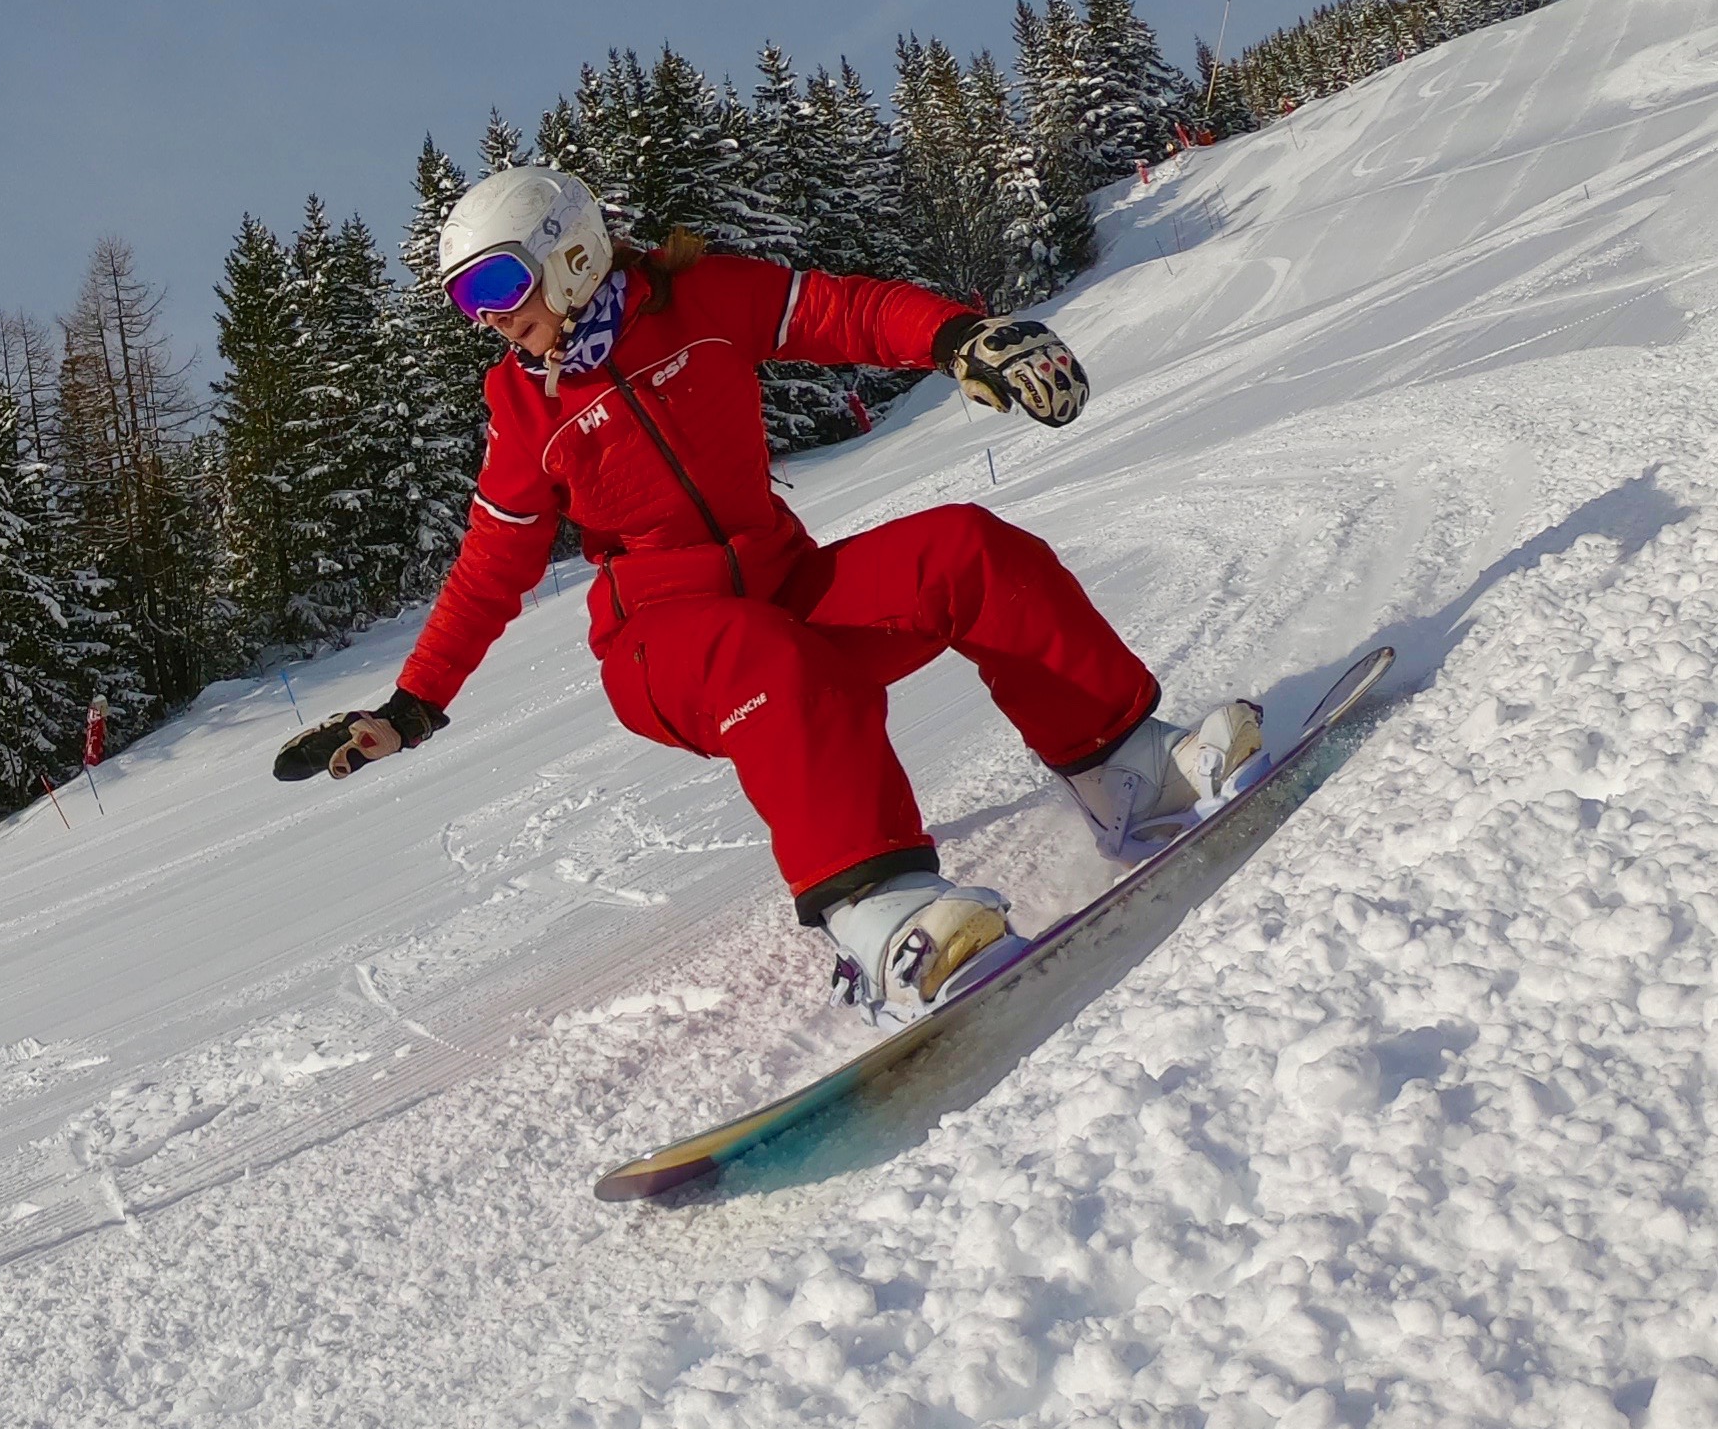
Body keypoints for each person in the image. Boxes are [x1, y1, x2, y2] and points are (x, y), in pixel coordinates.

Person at [277, 165, 1257, 1013]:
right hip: (662, 646)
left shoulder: (698, 299)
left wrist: (956, 338)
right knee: (766, 657)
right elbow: (489, 567)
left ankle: (1124, 769)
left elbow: (845, 311)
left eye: (495, 281)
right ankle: (882, 916)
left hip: (785, 584)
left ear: (567, 248)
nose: (489, 317)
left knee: (966, 550)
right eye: (464, 301)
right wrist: (411, 707)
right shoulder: (522, 403)